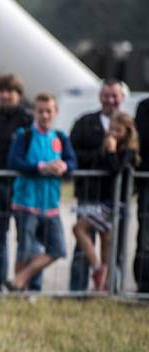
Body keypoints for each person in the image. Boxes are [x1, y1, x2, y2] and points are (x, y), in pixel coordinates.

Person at [5, 92, 77, 291]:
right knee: (25, 250)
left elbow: (72, 162)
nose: (45, 115)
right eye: (41, 111)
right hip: (26, 201)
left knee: (58, 248)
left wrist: (63, 166)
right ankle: (20, 292)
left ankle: (19, 280)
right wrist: (41, 167)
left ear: (55, 112)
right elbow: (14, 161)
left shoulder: (60, 137)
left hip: (51, 203)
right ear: (35, 112)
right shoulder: (24, 135)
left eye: (48, 111)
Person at [68, 79, 126, 291]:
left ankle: (110, 288)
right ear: (99, 97)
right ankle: (77, 289)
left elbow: (127, 159)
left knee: (111, 244)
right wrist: (101, 155)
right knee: (83, 242)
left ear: (122, 98)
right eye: (106, 95)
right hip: (89, 193)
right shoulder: (84, 122)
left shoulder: (128, 125)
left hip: (115, 195)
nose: (110, 100)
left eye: (115, 96)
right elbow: (72, 152)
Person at [72, 112, 138, 291]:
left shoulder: (129, 151)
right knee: (105, 239)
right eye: (111, 129)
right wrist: (105, 151)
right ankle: (104, 284)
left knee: (79, 228)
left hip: (116, 203)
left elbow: (117, 168)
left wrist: (111, 151)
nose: (113, 133)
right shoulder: (105, 144)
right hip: (103, 200)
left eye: (118, 130)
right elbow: (97, 166)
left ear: (127, 131)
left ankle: (99, 270)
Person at [0, 74, 33, 292]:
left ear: (18, 94)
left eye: (9, 91)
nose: (4, 95)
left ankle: (22, 282)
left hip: (20, 185)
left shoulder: (28, 119)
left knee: (26, 236)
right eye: (1, 90)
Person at [135, 97, 149, 293]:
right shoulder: (145, 107)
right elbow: (142, 140)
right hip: (147, 182)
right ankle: (144, 285)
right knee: (145, 239)